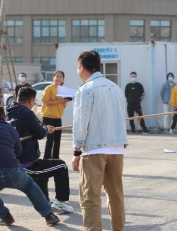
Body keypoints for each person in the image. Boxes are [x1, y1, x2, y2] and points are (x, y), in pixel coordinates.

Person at [0, 105, 60, 226]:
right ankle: (48, 215)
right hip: (11, 171)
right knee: (29, 186)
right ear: (4, 117)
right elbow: (18, 152)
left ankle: (5, 216)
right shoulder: (10, 128)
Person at [72, 50, 128, 231]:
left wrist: (76, 151)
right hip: (117, 147)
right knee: (116, 195)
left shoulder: (86, 89)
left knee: (90, 197)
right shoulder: (115, 87)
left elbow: (81, 122)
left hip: (95, 148)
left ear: (81, 67)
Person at [7, 87, 74, 214]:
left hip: (20, 161)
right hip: (26, 164)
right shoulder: (27, 113)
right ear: (31, 101)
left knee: (43, 175)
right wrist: (46, 130)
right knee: (61, 165)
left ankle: (45, 206)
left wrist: (43, 128)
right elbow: (39, 133)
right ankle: (60, 202)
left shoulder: (11, 111)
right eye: (35, 101)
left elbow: (33, 128)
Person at [41, 70, 70, 159]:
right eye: (57, 76)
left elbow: (63, 106)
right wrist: (59, 101)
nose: (58, 78)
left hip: (58, 117)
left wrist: (65, 101)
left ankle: (56, 159)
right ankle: (46, 159)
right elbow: (45, 101)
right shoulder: (49, 88)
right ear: (53, 78)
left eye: (60, 77)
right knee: (50, 140)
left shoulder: (63, 90)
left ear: (63, 79)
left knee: (57, 140)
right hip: (48, 116)